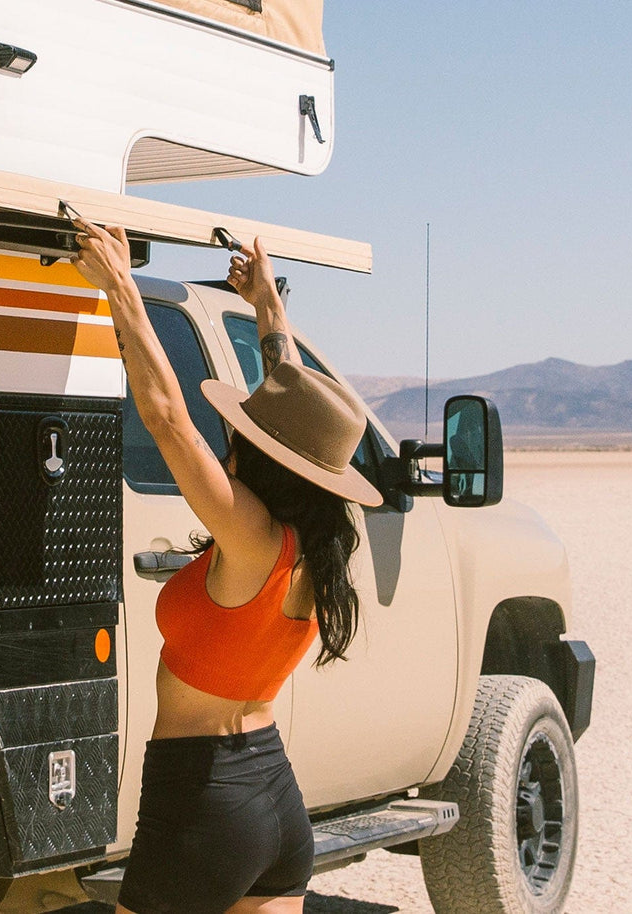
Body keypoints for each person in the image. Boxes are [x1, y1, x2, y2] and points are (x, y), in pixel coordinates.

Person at [69, 219, 384, 914]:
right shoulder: (314, 547)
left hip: (202, 803)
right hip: (273, 797)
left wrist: (121, 286)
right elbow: (293, 400)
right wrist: (269, 307)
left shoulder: (250, 535)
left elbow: (168, 418)